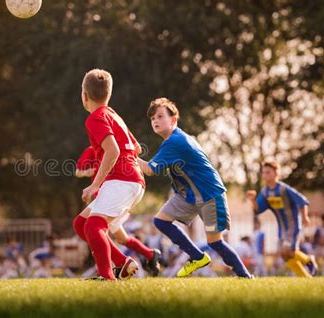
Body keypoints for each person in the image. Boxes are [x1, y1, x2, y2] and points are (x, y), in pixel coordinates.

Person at [138, 97, 252, 278]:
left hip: (209, 194)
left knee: (215, 242)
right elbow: (154, 168)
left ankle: (245, 276)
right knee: (160, 221)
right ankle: (197, 257)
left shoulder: (174, 141)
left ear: (173, 120)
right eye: (152, 119)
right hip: (189, 195)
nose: (155, 121)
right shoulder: (172, 141)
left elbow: (149, 170)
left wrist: (126, 154)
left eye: (160, 116)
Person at [72, 69, 147, 280]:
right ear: (109, 94)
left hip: (122, 180)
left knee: (94, 225)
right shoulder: (113, 114)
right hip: (130, 180)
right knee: (81, 225)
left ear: (84, 95)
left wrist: (95, 185)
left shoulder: (95, 118)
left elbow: (113, 151)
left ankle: (107, 277)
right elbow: (137, 148)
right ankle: (123, 263)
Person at [75, 146, 161, 276]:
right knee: (119, 238)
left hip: (118, 195)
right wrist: (92, 171)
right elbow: (78, 171)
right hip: (103, 197)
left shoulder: (116, 146)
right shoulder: (92, 150)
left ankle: (107, 270)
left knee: (96, 229)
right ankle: (149, 254)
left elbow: (134, 153)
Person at [246, 160, 317, 277]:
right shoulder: (265, 192)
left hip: (293, 226)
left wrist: (305, 217)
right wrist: (253, 200)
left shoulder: (284, 189)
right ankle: (306, 276)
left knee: (286, 251)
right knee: (285, 255)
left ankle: (308, 260)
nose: (265, 175)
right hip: (281, 228)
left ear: (276, 173)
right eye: (263, 173)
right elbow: (258, 209)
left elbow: (302, 201)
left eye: (268, 172)